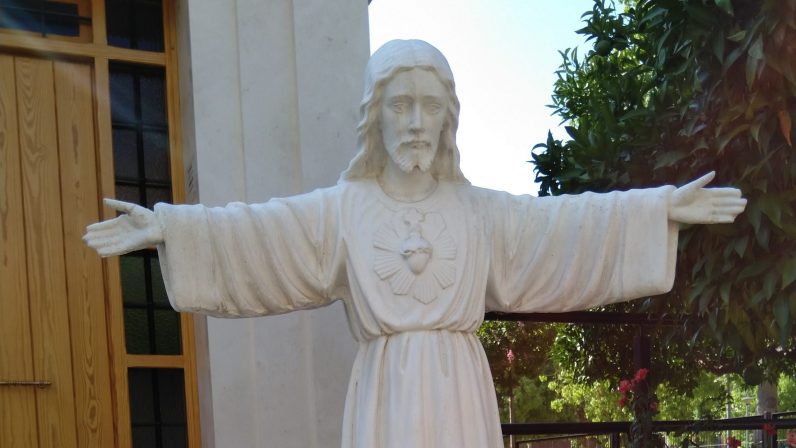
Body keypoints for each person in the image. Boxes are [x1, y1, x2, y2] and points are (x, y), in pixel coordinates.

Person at [84, 39, 746, 448]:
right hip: (386, 396)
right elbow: (262, 233)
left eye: (431, 106)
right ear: (376, 116)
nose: (417, 122)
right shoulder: (344, 211)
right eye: (401, 105)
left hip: (459, 389)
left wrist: (659, 210)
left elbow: (565, 227)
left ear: (448, 119)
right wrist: (170, 227)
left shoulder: (476, 211)